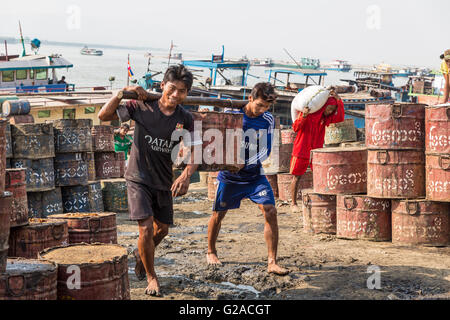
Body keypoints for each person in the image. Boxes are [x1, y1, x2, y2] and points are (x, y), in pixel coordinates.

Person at [98, 65, 199, 297]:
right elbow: (103, 116)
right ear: (163, 85)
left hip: (163, 180)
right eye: (172, 89)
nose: (175, 95)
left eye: (182, 92)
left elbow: (195, 151)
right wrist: (122, 92)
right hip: (138, 177)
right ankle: (152, 276)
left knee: (161, 229)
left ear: (186, 94)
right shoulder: (141, 106)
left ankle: (139, 253)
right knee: (145, 229)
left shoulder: (185, 118)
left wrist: (185, 175)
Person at [207, 82, 289, 276]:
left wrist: (245, 162)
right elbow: (216, 138)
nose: (263, 110)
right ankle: (211, 251)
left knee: (270, 211)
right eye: (260, 105)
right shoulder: (231, 114)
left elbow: (267, 149)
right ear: (250, 99)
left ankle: (272, 262)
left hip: (254, 175)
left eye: (267, 107)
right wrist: (229, 160)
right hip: (229, 176)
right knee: (218, 214)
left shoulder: (267, 119)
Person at [289, 90, 345, 212]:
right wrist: (303, 116)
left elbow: (340, 118)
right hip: (301, 150)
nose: (330, 111)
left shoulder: (325, 119)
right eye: (329, 108)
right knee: (297, 177)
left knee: (319, 175)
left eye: (332, 109)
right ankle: (293, 203)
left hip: (317, 151)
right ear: (324, 106)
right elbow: (295, 127)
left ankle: (320, 200)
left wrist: (339, 101)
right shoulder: (308, 115)